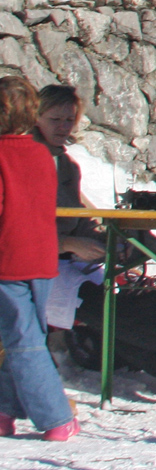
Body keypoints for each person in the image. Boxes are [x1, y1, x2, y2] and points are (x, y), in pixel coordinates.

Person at [0, 73, 77, 440]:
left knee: (22, 340)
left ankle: (55, 418)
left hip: (7, 260)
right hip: (42, 260)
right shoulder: (43, 155)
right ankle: (5, 408)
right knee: (25, 335)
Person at [34, 85, 104, 366]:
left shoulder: (65, 164)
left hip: (66, 260)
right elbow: (19, 226)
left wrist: (102, 240)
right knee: (99, 304)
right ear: (35, 118)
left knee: (114, 293)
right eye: (55, 120)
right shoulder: (24, 160)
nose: (64, 126)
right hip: (36, 263)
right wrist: (68, 244)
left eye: (69, 120)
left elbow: (77, 215)